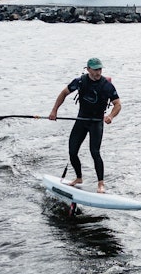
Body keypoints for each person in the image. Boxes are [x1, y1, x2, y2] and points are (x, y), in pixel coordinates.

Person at [49, 57, 121, 193]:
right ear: (88, 69)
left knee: (95, 152)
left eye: (100, 69)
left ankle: (101, 184)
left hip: (96, 123)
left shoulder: (106, 85)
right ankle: (78, 178)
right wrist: (54, 110)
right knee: (72, 151)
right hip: (81, 120)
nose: (98, 72)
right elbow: (64, 93)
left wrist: (110, 116)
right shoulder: (80, 81)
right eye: (95, 69)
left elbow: (118, 104)